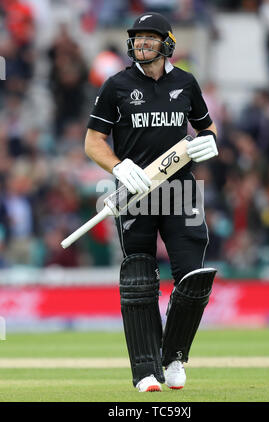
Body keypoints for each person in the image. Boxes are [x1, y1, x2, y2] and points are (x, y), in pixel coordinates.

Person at [85, 12, 218, 392]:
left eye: (149, 38)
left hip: (180, 191)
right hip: (135, 194)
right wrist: (118, 166)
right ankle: (145, 371)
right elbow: (93, 142)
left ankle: (174, 356)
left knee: (193, 278)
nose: (141, 44)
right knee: (139, 281)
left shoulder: (186, 83)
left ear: (167, 43)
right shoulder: (116, 85)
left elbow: (205, 128)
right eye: (137, 39)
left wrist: (210, 141)